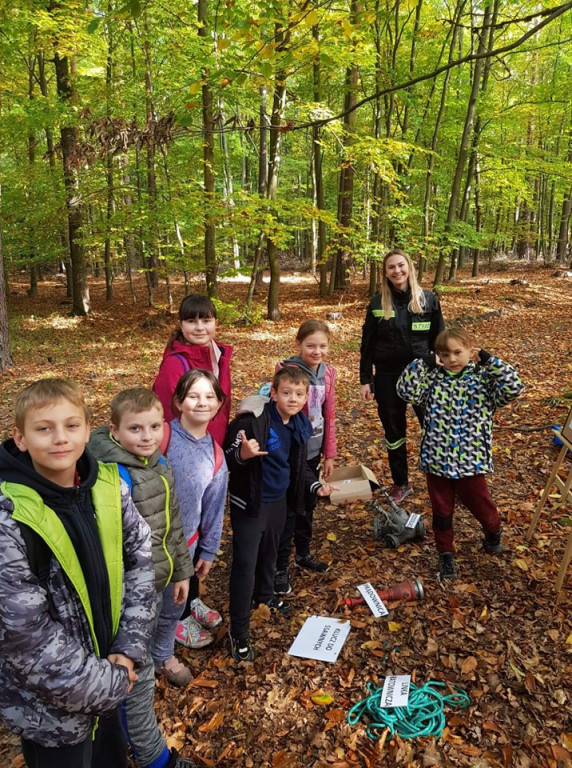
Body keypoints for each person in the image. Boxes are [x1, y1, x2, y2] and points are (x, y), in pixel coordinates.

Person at [0, 379, 156, 768]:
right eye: (43, 428)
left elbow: (139, 559)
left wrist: (128, 650)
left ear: (89, 429)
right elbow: (24, 635)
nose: (60, 438)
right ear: (20, 438)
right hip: (51, 715)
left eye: (71, 425)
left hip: (110, 678)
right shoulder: (9, 517)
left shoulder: (107, 486)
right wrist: (110, 683)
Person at [89, 388, 196, 768]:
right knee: (134, 674)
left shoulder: (157, 463)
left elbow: (173, 521)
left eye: (154, 426)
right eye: (136, 428)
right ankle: (153, 758)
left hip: (156, 582)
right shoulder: (112, 474)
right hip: (126, 594)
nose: (147, 436)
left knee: (144, 658)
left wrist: (182, 569)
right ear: (115, 431)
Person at [224, 366, 337, 662]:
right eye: (286, 392)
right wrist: (242, 456)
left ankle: (265, 597)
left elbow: (296, 466)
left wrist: (314, 486)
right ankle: (239, 633)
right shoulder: (251, 423)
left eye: (299, 394)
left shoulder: (299, 423)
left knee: (271, 555)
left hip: (278, 502)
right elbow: (227, 459)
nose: (293, 399)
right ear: (273, 393)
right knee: (245, 563)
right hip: (250, 502)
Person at [396, 328, 524, 581]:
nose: (452, 359)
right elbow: (405, 391)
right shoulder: (432, 379)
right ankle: (445, 554)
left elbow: (514, 388)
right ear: (438, 356)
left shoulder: (483, 381)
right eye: (445, 354)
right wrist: (422, 363)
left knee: (481, 505)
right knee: (442, 511)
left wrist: (490, 361)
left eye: (458, 352)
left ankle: (493, 530)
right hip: (437, 461)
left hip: (471, 461)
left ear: (469, 351)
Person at [152, 369, 228, 656]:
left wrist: (208, 551)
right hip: (148, 542)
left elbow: (213, 509)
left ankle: (165, 650)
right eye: (193, 396)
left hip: (185, 546)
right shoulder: (161, 436)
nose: (202, 402)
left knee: (174, 601)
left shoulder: (216, 455)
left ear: (220, 403)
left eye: (209, 396)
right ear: (179, 401)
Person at [359, 248, 445, 503]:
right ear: (385, 273)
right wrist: (366, 379)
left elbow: (441, 341)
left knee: (433, 428)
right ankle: (401, 483)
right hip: (387, 377)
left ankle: (442, 479)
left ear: (409, 267)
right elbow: (367, 344)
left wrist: (447, 372)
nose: (397, 271)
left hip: (423, 377)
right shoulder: (377, 304)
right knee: (394, 432)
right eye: (391, 267)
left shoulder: (428, 299)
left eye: (400, 265)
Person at [273, 319, 337, 595]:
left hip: (314, 450)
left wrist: (329, 453)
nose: (317, 351)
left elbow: (330, 415)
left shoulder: (329, 373)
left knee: (308, 506)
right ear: (299, 344)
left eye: (322, 346)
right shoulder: (286, 370)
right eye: (311, 345)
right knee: (289, 509)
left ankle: (303, 553)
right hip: (291, 451)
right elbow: (276, 407)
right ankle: (279, 566)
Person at [153, 294, 233, 446]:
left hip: (215, 447)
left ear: (216, 323)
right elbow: (169, 414)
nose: (200, 328)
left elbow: (222, 408)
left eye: (206, 320)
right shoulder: (174, 364)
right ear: (181, 326)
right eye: (191, 321)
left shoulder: (221, 357)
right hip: (188, 451)